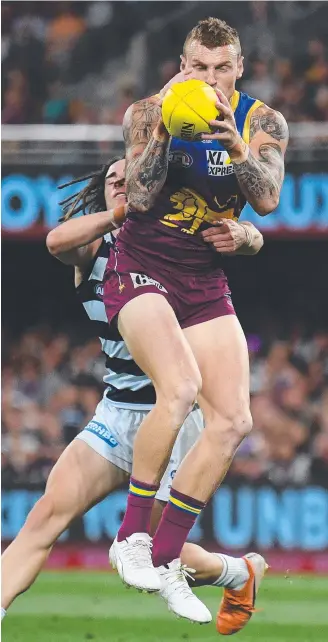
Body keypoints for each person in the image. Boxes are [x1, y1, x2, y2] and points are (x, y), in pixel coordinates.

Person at [1, 158, 265, 632]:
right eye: (112, 180)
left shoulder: (175, 245)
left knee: (164, 552)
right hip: (118, 412)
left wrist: (248, 236)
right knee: (45, 515)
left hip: (178, 420)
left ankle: (238, 572)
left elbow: (247, 231)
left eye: (132, 177)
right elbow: (56, 241)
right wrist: (117, 215)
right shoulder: (95, 247)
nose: (122, 183)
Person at [104, 17, 288, 628]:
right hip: (142, 266)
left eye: (221, 68)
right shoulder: (146, 112)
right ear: (183, 64)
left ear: (239, 68)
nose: (209, 78)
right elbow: (144, 196)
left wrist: (234, 147)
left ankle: (166, 560)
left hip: (204, 281)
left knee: (234, 419)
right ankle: (131, 537)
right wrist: (165, 127)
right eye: (198, 67)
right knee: (179, 389)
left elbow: (266, 200)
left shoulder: (262, 122)